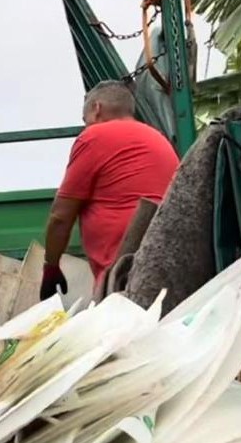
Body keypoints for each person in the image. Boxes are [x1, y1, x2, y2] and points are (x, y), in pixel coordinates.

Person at [40, 80, 179, 300]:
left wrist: (51, 267)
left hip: (123, 275)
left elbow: (60, 216)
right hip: (166, 264)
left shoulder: (95, 137)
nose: (85, 126)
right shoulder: (157, 138)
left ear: (96, 108)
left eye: (84, 120)